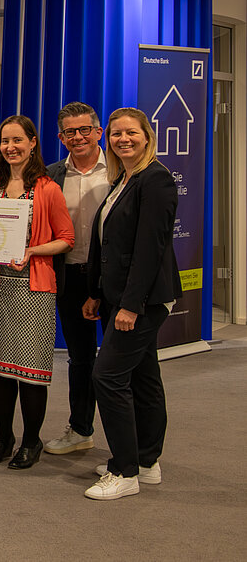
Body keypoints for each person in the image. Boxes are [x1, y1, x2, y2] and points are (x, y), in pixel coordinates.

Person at [83, 108, 181, 501]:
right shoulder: (123, 179)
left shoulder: (155, 179)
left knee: (106, 377)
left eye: (131, 133)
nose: (123, 139)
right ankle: (146, 460)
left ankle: (124, 471)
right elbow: (108, 243)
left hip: (141, 300)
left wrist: (131, 305)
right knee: (143, 375)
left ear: (147, 135)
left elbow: (149, 248)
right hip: (117, 296)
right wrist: (96, 292)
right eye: (117, 133)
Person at [0, 115, 74, 470]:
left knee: (30, 374)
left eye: (17, 140)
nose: (10, 147)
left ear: (32, 143)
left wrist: (32, 251)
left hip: (33, 289)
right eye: (4, 141)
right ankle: (3, 437)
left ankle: (32, 441)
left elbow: (66, 239)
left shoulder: (48, 189)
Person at [44, 102, 109, 456]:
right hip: (69, 276)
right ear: (61, 137)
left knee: (117, 360)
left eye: (85, 130)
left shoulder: (118, 171)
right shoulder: (52, 175)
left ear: (98, 132)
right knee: (80, 357)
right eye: (70, 132)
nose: (78, 137)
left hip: (112, 278)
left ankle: (125, 435)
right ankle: (81, 428)